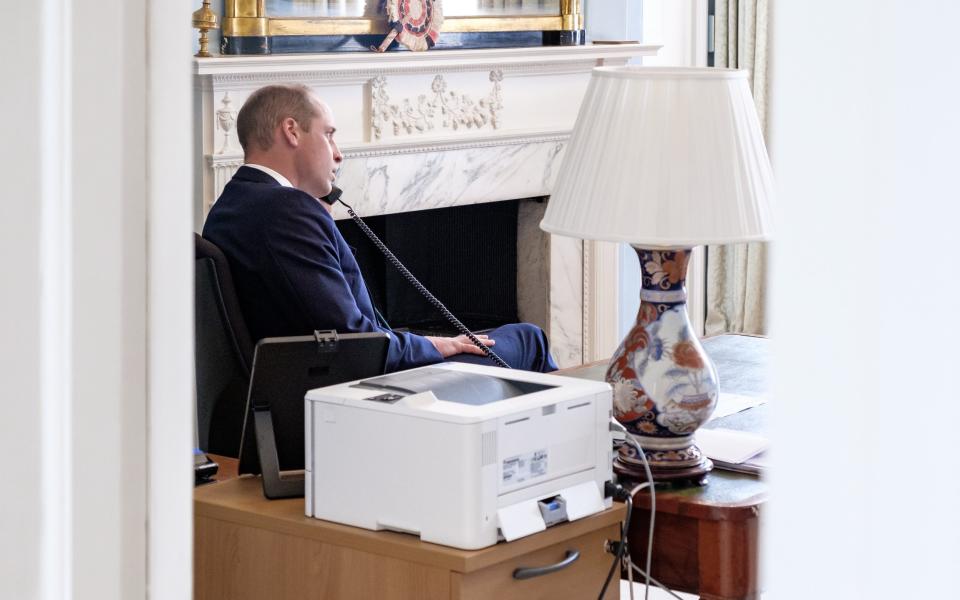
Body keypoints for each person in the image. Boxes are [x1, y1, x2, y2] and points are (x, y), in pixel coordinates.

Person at [203, 84, 558, 373]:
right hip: (366, 392)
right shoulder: (286, 210)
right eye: (329, 135)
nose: (338, 154)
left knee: (496, 339)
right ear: (291, 131)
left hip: (321, 382)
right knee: (529, 338)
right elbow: (356, 342)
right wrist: (435, 344)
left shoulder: (230, 207)